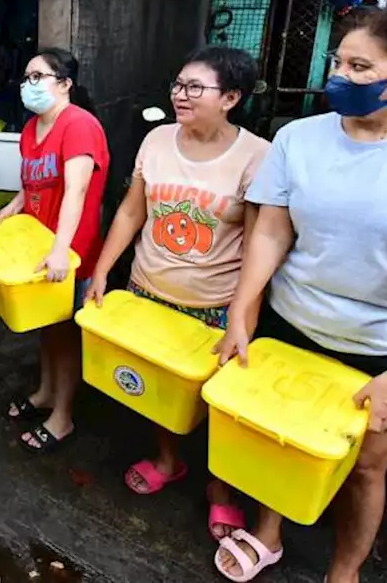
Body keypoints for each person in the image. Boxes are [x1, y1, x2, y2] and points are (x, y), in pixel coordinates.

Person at [211, 5, 387, 583]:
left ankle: (345, 569)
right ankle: (269, 533)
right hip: (295, 321)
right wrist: (242, 310)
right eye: (338, 61)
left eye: (360, 66)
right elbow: (271, 229)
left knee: (367, 464)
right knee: (281, 439)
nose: (339, 75)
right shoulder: (299, 137)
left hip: (386, 343)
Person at [85, 46, 267, 538]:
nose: (180, 96)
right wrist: (102, 270)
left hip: (212, 307)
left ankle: (222, 489)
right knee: (159, 391)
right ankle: (168, 460)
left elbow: (260, 243)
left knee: (219, 406)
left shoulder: (257, 156)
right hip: (147, 291)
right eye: (178, 85)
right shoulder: (157, 140)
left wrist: (243, 315)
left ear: (231, 97)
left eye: (194, 88)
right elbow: (130, 212)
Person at [0, 50, 109, 451]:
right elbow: (35, 181)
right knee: (47, 329)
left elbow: (77, 191)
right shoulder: (31, 128)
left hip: (71, 252)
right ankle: (45, 393)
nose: (29, 85)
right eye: (26, 77)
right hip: (38, 245)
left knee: (64, 335)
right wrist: (14, 205)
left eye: (38, 76)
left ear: (65, 84)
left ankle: (62, 416)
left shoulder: (80, 126)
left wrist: (62, 250)